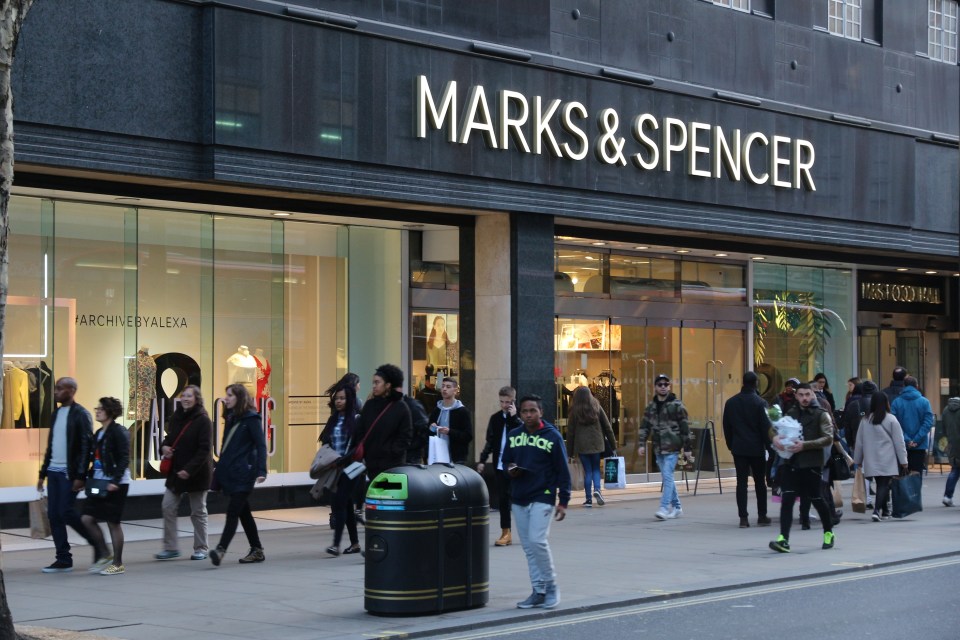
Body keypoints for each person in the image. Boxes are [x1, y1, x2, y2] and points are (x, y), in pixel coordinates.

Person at [501, 395, 570, 610]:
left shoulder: (553, 436)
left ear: (541, 412)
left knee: (538, 541)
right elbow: (505, 461)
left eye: (533, 410)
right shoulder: (514, 435)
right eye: (524, 411)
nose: (528, 415)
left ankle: (552, 587)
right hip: (520, 495)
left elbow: (562, 469)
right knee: (529, 547)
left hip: (544, 494)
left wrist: (564, 501)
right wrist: (510, 469)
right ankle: (538, 591)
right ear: (519, 414)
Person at [36, 377, 97, 573]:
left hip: (69, 473)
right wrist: (42, 472)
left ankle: (98, 543)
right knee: (54, 515)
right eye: (56, 388)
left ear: (71, 390)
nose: (55, 392)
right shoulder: (56, 414)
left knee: (66, 512)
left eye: (60, 388)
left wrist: (80, 475)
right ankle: (63, 558)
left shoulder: (81, 414)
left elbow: (87, 446)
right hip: (53, 472)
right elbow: (51, 445)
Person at [769, 383, 835, 553]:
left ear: (813, 394)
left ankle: (828, 532)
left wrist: (804, 445)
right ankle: (783, 539)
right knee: (787, 501)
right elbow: (775, 428)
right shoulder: (791, 412)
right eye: (801, 395)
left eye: (807, 394)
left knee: (817, 499)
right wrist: (775, 438)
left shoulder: (822, 414)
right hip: (791, 463)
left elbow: (828, 438)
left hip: (811, 463)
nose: (805, 398)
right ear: (796, 396)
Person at [209, 383, 268, 566]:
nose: (226, 398)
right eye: (226, 395)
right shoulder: (231, 417)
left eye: (230, 395)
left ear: (239, 398)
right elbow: (226, 448)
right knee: (244, 513)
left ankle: (220, 550)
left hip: (244, 473)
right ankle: (257, 549)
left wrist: (261, 470)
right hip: (231, 473)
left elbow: (261, 445)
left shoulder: (252, 419)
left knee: (233, 512)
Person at [155, 385, 213, 561]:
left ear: (197, 399)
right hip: (176, 471)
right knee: (168, 506)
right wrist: (163, 446)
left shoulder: (203, 420)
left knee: (198, 511)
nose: (186, 399)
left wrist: (189, 469)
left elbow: (204, 450)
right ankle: (171, 547)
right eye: (184, 395)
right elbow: (170, 438)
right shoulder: (177, 416)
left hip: (197, 473)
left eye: (190, 396)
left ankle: (201, 548)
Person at [81, 397, 131, 575]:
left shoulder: (119, 432)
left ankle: (117, 563)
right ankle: (105, 553)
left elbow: (125, 458)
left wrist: (115, 481)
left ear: (110, 411)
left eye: (101, 409)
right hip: (100, 482)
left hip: (116, 484)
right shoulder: (99, 433)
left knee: (113, 522)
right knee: (87, 518)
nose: (97, 411)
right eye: (97, 408)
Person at [637, 374, 694, 520]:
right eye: (660, 384)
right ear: (655, 387)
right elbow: (644, 427)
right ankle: (677, 507)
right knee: (667, 477)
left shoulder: (677, 405)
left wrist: (687, 448)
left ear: (669, 387)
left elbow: (685, 427)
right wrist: (641, 444)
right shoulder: (651, 407)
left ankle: (663, 507)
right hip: (658, 447)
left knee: (667, 476)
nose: (663, 387)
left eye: (666, 384)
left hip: (673, 447)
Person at [721, 371, 772, 528]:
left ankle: (743, 518)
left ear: (743, 382)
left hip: (739, 448)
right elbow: (766, 428)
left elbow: (726, 427)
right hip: (756, 448)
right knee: (760, 483)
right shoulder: (760, 403)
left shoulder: (731, 402)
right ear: (756, 383)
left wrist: (731, 445)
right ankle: (762, 515)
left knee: (741, 483)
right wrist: (769, 447)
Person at [477, 386, 522, 547]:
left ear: (513, 401)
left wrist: (514, 417)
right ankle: (506, 532)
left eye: (507, 402)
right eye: (502, 402)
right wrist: (482, 460)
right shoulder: (495, 418)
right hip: (500, 464)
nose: (504, 405)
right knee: (503, 498)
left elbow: (524, 434)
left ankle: (527, 530)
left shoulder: (518, 418)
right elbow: (490, 441)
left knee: (519, 498)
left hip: (516, 464)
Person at [352, 364, 413, 483]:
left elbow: (405, 436)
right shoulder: (369, 405)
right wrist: (366, 451)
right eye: (373, 383)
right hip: (371, 465)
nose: (374, 386)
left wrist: (392, 452)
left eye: (377, 382)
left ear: (388, 385)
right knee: (374, 497)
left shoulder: (401, 407)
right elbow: (360, 430)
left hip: (393, 466)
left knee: (390, 498)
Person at [321, 383, 362, 556]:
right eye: (337, 398)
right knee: (345, 504)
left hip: (352, 467)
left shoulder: (356, 419)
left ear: (349, 399)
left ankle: (336, 544)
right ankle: (355, 543)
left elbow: (358, 446)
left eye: (342, 398)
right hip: (335, 467)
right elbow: (325, 439)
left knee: (339, 501)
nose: (339, 401)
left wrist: (343, 459)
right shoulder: (333, 419)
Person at [854, 392, 908, 522]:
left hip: (871, 458)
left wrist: (858, 460)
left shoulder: (865, 420)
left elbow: (859, 441)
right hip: (887, 458)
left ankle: (885, 511)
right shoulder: (891, 419)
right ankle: (877, 511)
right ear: (886, 403)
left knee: (880, 484)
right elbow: (899, 442)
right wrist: (903, 461)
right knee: (883, 484)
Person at [565, 386, 616, 508]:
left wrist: (569, 451)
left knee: (587, 471)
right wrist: (613, 444)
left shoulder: (574, 411)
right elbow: (607, 427)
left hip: (582, 446)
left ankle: (588, 500)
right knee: (596, 469)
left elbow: (570, 432)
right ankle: (597, 490)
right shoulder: (596, 407)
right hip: (597, 444)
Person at [891, 376, 935, 474]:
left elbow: (894, 424)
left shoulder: (896, 402)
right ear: (917, 386)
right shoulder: (925, 402)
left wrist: (906, 439)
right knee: (916, 475)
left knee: (901, 476)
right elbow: (928, 422)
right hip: (920, 444)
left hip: (901, 444)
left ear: (903, 386)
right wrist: (916, 439)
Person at [428, 377, 473, 464]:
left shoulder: (462, 411)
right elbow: (428, 430)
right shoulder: (437, 409)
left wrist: (449, 432)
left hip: (456, 457)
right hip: (438, 455)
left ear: (455, 391)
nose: (444, 389)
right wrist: (431, 427)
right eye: (443, 386)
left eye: (448, 387)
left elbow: (468, 436)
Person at [941, 397, 960, 506]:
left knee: (955, 470)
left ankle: (947, 496)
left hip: (952, 444)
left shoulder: (945, 410)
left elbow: (943, 428)